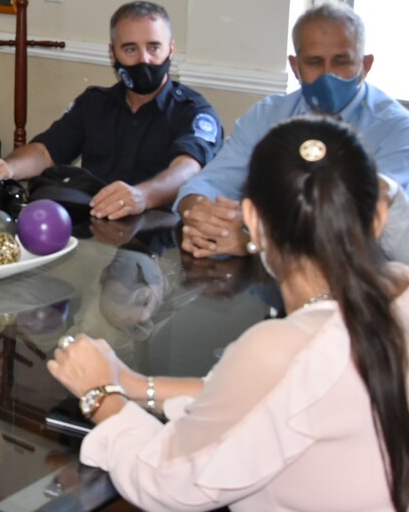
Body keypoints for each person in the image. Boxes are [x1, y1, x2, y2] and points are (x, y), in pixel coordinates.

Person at [49, 116, 409, 511]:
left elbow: (170, 483)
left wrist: (101, 395)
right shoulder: (393, 298)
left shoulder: (281, 346)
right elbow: (255, 396)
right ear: (378, 218)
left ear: (251, 219)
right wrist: (133, 384)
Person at [176, 1, 409, 258]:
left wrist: (256, 240)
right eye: (315, 62)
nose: (328, 75)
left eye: (341, 61)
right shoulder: (267, 115)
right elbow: (209, 183)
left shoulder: (397, 128)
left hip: (361, 272)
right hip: (268, 271)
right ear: (296, 67)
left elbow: (357, 222)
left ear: (365, 65)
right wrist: (202, 215)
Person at [0, 1, 222, 220]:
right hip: (94, 232)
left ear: (171, 49)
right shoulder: (94, 103)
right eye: (130, 49)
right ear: (112, 53)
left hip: (161, 237)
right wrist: (7, 168)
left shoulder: (193, 111)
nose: (144, 59)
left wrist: (142, 196)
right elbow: (47, 151)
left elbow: (188, 170)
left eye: (154, 47)